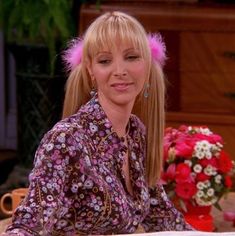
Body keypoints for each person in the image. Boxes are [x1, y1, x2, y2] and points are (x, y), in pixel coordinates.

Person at [3, 11, 194, 235]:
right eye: (105, 61)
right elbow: (27, 225)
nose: (120, 71)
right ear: (91, 71)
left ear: (148, 65)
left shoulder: (135, 134)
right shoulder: (66, 140)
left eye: (131, 57)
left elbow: (163, 218)